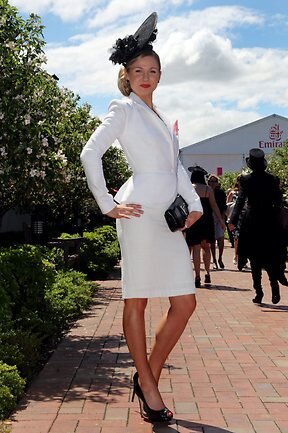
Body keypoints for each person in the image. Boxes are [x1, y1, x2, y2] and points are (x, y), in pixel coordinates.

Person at [80, 13, 203, 423]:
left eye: (152, 71)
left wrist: (195, 203)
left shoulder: (163, 119)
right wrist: (107, 203)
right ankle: (149, 387)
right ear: (127, 76)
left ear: (160, 75)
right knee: (138, 299)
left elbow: (176, 169)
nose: (146, 77)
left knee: (184, 302)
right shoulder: (124, 108)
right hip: (135, 213)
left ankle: (143, 374)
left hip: (167, 219)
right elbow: (89, 152)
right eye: (138, 71)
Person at [229, 148, 286, 304]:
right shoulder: (273, 179)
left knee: (254, 258)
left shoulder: (246, 180)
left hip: (252, 221)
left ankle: (259, 291)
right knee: (270, 256)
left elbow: (240, 201)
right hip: (270, 221)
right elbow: (279, 203)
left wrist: (232, 220)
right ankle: (274, 287)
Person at [185, 166, 225, 288]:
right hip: (206, 220)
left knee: (195, 248)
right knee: (206, 247)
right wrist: (221, 221)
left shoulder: (189, 189)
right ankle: (207, 272)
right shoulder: (208, 189)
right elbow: (214, 206)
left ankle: (197, 275)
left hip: (193, 220)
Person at [208, 175, 227, 269]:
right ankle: (214, 259)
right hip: (210, 216)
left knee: (221, 238)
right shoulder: (207, 192)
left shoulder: (221, 193)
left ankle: (220, 258)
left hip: (219, 216)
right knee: (212, 240)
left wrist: (222, 219)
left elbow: (224, 206)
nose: (212, 183)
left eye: (214, 181)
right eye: (210, 181)